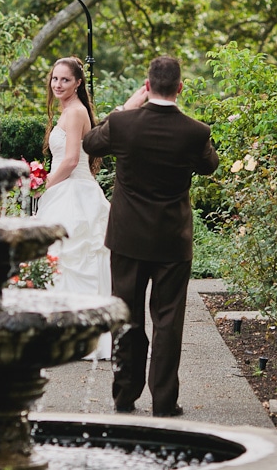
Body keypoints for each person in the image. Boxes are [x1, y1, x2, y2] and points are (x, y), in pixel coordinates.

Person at [82, 55, 220, 417]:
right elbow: (210, 166)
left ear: (147, 85)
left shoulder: (124, 124)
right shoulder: (196, 132)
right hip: (172, 241)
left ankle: (124, 397)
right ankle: (163, 402)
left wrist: (125, 107)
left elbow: (90, 144)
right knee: (168, 321)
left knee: (126, 317)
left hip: (127, 240)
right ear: (180, 87)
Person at [35, 56, 113, 360]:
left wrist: (44, 185)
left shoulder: (75, 112)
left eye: (65, 80)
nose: (58, 85)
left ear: (78, 83)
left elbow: (69, 160)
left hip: (73, 190)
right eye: (55, 79)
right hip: (68, 188)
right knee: (59, 259)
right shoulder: (70, 110)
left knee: (72, 257)